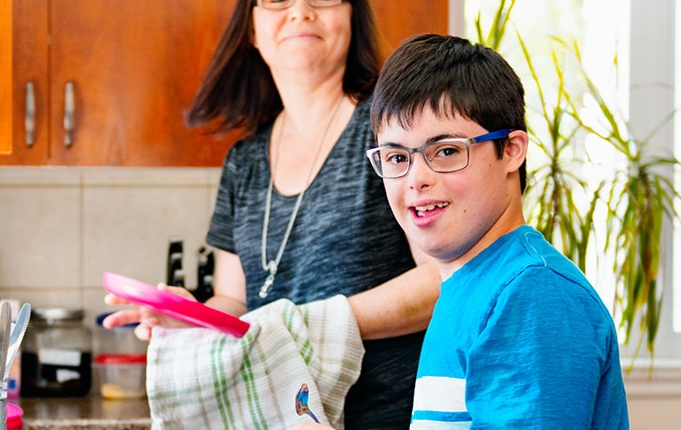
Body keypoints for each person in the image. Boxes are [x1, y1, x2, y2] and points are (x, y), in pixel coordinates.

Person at [102, 0, 441, 428]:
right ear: (252, 29)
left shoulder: (389, 132)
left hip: (388, 417)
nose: (300, 11)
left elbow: (441, 279)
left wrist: (311, 323)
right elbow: (236, 301)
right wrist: (195, 317)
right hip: (279, 416)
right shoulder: (244, 162)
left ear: (353, 15)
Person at [299, 33, 630, 428]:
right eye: (396, 157)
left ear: (511, 149)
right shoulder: (467, 289)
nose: (416, 179)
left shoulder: (532, 294)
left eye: (446, 151)